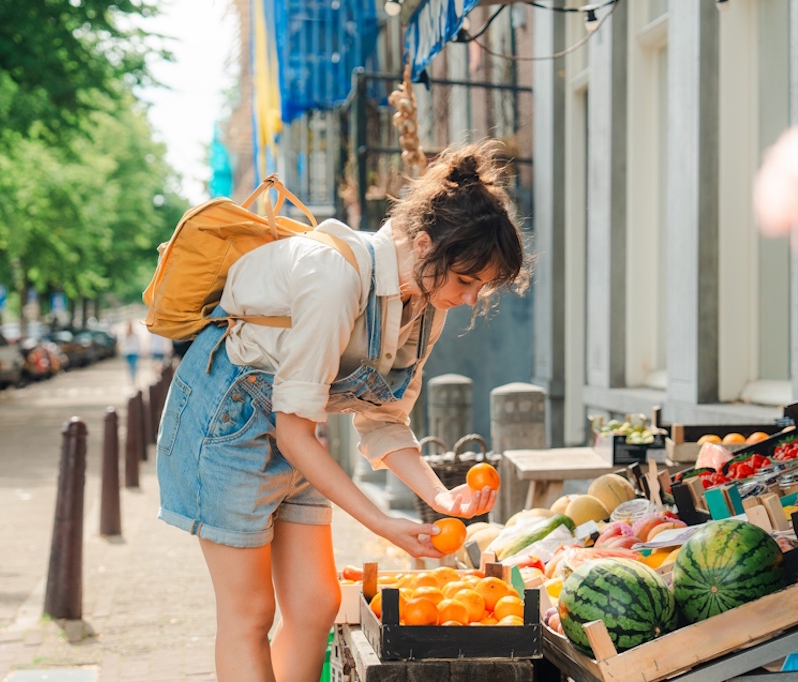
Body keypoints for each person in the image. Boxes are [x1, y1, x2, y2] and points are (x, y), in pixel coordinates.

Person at [155, 141, 530, 682]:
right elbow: (293, 432)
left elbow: (383, 420)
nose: (471, 298)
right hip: (227, 419)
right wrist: (379, 520)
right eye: (466, 280)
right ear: (424, 244)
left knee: (315, 605)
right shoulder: (334, 278)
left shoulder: (425, 306)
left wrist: (441, 496)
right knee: (250, 613)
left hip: (296, 428)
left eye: (481, 287)